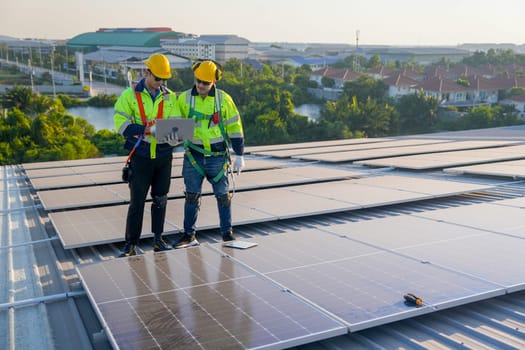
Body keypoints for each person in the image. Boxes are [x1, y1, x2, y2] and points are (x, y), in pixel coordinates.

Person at [172, 60, 245, 249]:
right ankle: (189, 235)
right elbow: (175, 126)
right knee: (191, 196)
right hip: (194, 156)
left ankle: (227, 234)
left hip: (218, 157)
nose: (200, 85)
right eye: (198, 81)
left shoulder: (223, 100)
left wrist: (239, 154)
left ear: (214, 81)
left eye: (205, 82)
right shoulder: (185, 99)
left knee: (223, 196)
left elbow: (235, 126)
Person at [114, 53, 180, 257]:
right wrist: (146, 129)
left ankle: (158, 239)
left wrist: (161, 132)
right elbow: (121, 125)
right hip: (141, 156)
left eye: (163, 79)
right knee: (137, 202)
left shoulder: (170, 96)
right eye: (157, 78)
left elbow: (178, 129)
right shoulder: (129, 95)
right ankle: (131, 244)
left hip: (162, 157)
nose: (160, 82)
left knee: (160, 199)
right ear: (146, 72)